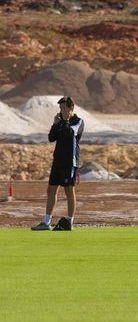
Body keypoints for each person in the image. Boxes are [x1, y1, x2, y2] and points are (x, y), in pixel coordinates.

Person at [34, 96, 84, 231]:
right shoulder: (60, 122)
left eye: (64, 108)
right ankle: (46, 222)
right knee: (51, 190)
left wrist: (65, 121)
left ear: (71, 108)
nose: (61, 111)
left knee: (69, 190)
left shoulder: (77, 121)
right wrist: (55, 123)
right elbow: (51, 138)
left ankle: (69, 221)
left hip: (70, 162)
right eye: (60, 108)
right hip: (58, 161)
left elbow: (70, 133)